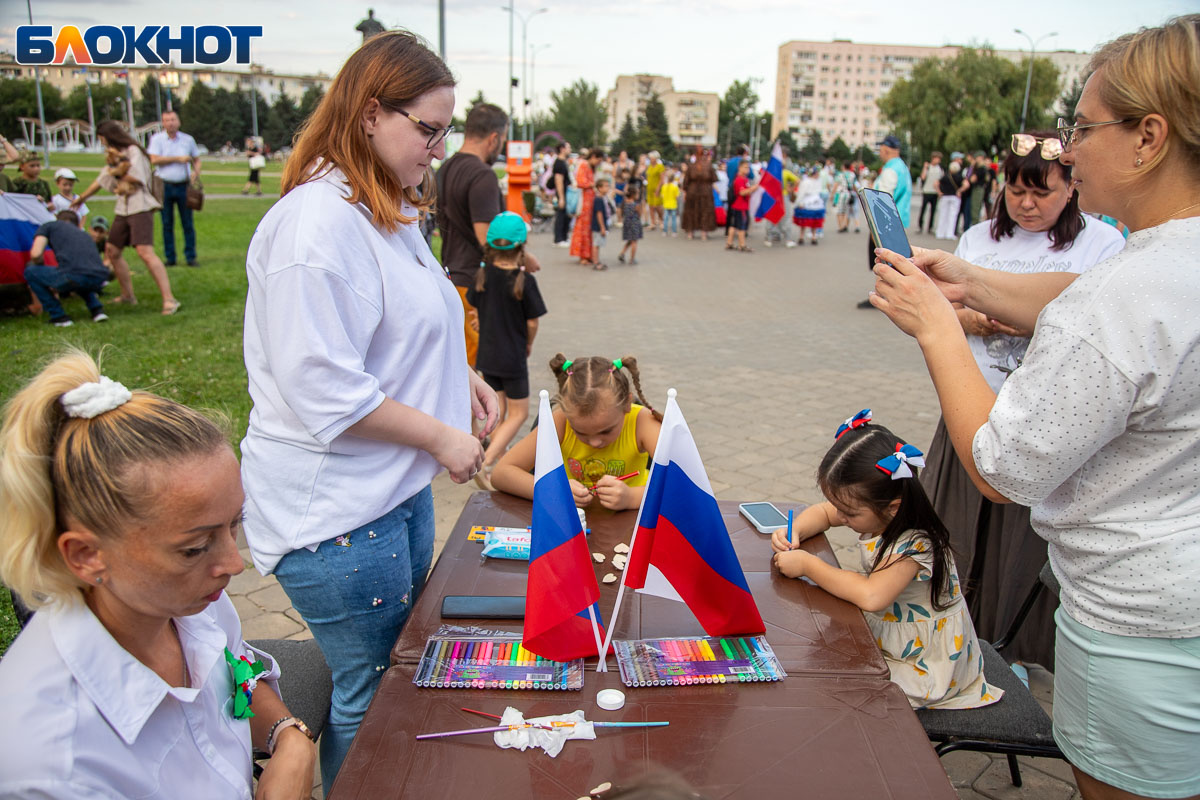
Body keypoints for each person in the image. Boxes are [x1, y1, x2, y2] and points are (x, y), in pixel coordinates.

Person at [868, 16, 1200, 799]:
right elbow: (1076, 295)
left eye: (1082, 128)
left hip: (1138, 627)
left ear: (1149, 137)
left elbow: (1001, 467)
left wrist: (937, 325)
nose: (1069, 150)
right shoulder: (1164, 264)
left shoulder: (1125, 295)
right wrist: (971, 281)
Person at [240, 31, 500, 787]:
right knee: (373, 691)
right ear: (369, 115)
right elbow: (323, 386)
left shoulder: (382, 206)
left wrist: (461, 376)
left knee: (395, 674)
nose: (439, 150)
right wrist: (443, 437)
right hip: (338, 514)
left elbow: (405, 323)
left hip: (389, 490)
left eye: (446, 131)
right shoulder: (315, 226)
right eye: (428, 130)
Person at [0, 350, 317, 799]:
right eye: (194, 548)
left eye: (234, 525)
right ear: (87, 555)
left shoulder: (185, 600)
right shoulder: (52, 769)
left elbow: (235, 664)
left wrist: (287, 737)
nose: (234, 564)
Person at [921, 133, 1126, 676]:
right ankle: (944, 636)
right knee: (955, 533)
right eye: (1016, 191)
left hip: (1046, 423)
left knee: (1020, 550)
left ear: (1070, 188)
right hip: (969, 406)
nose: (1027, 203)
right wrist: (974, 318)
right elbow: (943, 306)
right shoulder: (976, 237)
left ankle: (1010, 655)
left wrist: (1023, 317)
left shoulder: (1102, 243)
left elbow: (1090, 324)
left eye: (1042, 192)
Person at [772, 412, 1001, 710]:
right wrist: (796, 531)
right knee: (823, 659)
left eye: (849, 513)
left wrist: (808, 565)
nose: (840, 517)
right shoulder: (879, 510)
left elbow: (872, 595)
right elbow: (824, 513)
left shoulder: (916, 544)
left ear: (893, 507)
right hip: (897, 640)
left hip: (926, 665)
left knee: (834, 686)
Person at [491, 354, 663, 510]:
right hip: (573, 522)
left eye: (606, 431)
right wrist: (556, 491)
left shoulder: (641, 422)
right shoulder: (561, 420)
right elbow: (501, 473)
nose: (595, 442)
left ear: (627, 404)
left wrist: (632, 497)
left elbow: (677, 483)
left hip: (631, 522)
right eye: (580, 432)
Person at [466, 211, 547, 484]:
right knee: (519, 413)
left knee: (497, 409)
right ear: (522, 245)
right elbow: (532, 322)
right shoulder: (525, 281)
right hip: (512, 357)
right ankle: (487, 460)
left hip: (487, 356)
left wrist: (480, 321)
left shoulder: (482, 274)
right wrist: (529, 342)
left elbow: (476, 308)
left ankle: (496, 454)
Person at [73, 120, 180, 315]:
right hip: (123, 207)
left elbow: (137, 179)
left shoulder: (133, 151)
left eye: (102, 139)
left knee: (145, 252)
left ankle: (169, 299)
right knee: (112, 250)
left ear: (108, 137)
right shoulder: (115, 155)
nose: (102, 143)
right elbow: (101, 180)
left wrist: (117, 171)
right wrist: (81, 198)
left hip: (140, 206)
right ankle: (127, 295)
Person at [437, 102, 511, 367]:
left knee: (460, 361)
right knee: (476, 367)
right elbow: (487, 237)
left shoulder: (445, 169)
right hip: (475, 284)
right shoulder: (482, 175)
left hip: (451, 278)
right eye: (503, 140)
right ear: (494, 138)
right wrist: (522, 259)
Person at [24, 210, 111, 326]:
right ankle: (97, 310)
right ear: (77, 223)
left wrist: (39, 265)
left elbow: (35, 254)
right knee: (80, 275)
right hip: (100, 278)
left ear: (57, 219)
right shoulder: (84, 234)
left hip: (74, 276)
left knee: (31, 271)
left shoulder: (49, 226)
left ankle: (58, 316)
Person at [857, 134, 911, 309]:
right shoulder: (902, 167)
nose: (880, 152)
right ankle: (890, 294)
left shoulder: (890, 170)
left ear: (886, 149)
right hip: (897, 219)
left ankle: (883, 296)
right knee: (892, 259)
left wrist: (875, 227)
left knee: (882, 259)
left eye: (881, 148)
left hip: (885, 224)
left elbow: (882, 200)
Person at [147, 109, 202, 266]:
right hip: (165, 185)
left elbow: (196, 159)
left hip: (184, 186)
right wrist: (177, 159)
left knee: (188, 223)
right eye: (167, 120)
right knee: (167, 223)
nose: (170, 123)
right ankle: (170, 257)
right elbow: (154, 159)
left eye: (173, 119)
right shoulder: (157, 140)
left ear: (178, 121)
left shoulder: (187, 140)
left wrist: (195, 173)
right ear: (163, 123)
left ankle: (190, 256)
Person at [570, 148, 604, 266]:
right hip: (584, 202)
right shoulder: (584, 165)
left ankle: (588, 254)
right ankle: (583, 255)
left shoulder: (591, 167)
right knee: (583, 229)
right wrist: (593, 184)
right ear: (593, 156)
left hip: (590, 201)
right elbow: (580, 182)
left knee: (589, 229)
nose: (598, 163)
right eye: (598, 160)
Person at [681, 147, 717, 241]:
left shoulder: (691, 166)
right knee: (705, 211)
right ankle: (703, 233)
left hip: (692, 192)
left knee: (691, 211)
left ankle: (690, 232)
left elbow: (686, 182)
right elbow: (714, 179)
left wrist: (685, 192)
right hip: (705, 192)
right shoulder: (708, 166)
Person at [724, 159, 756, 251]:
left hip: (737, 206)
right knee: (742, 226)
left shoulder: (743, 179)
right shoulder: (740, 180)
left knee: (733, 225)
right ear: (740, 168)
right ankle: (742, 245)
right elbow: (742, 192)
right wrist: (753, 188)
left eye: (748, 168)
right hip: (741, 206)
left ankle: (729, 243)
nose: (747, 170)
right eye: (745, 167)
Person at [934, 153, 964, 240]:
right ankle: (949, 233)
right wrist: (959, 191)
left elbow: (935, 183)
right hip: (954, 197)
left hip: (945, 196)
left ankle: (940, 232)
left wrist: (939, 192)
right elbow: (966, 184)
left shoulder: (945, 176)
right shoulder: (959, 177)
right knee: (952, 216)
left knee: (943, 214)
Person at [793, 167, 826, 245]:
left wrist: (797, 203)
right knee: (805, 221)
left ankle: (812, 237)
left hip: (814, 202)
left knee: (813, 221)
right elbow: (801, 193)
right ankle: (803, 237)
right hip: (809, 202)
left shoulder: (816, 182)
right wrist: (799, 203)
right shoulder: (807, 182)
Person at [551, 140, 573, 246]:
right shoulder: (559, 163)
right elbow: (558, 180)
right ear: (562, 149)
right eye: (568, 148)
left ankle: (564, 236)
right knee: (561, 215)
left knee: (566, 216)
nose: (570, 150)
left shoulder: (564, 162)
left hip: (567, 192)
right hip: (562, 193)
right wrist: (561, 197)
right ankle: (558, 239)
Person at [917, 152, 943, 233]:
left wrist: (939, 191)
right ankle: (920, 226)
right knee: (923, 209)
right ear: (933, 158)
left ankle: (930, 227)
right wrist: (925, 168)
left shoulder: (940, 169)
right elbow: (923, 177)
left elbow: (940, 180)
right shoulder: (928, 167)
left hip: (935, 192)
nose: (938, 160)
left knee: (933, 211)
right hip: (926, 191)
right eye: (937, 158)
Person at [618, 182, 643, 264]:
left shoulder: (625, 202)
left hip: (627, 223)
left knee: (630, 240)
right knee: (634, 242)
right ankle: (632, 259)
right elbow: (639, 214)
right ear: (633, 195)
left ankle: (622, 253)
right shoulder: (636, 204)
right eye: (637, 193)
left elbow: (621, 212)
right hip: (635, 224)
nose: (638, 195)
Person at [591, 177, 612, 269]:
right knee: (596, 244)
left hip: (600, 225)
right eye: (606, 186)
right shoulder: (599, 199)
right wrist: (602, 227)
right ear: (599, 188)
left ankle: (597, 261)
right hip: (598, 226)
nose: (608, 188)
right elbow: (599, 214)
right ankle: (596, 262)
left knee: (598, 244)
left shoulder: (603, 198)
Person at [644, 151, 665, 230]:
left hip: (657, 189)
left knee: (657, 206)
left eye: (652, 158)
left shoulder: (660, 167)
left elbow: (662, 179)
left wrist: (658, 189)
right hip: (649, 189)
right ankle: (652, 223)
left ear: (656, 158)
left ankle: (661, 220)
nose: (650, 159)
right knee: (651, 206)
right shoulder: (649, 166)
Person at [660, 169, 680, 236]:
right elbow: (677, 196)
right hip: (673, 204)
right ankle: (674, 232)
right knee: (673, 219)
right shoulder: (675, 187)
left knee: (665, 219)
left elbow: (662, 195)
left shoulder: (664, 186)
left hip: (666, 204)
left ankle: (665, 231)